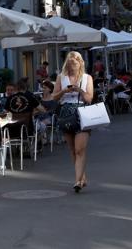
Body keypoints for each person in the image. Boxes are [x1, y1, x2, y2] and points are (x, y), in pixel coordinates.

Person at [52, 51, 94, 193]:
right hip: (65, 115)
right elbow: (54, 97)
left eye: (76, 62)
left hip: (82, 114)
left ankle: (77, 181)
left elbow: (89, 99)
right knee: (72, 150)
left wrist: (79, 90)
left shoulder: (87, 78)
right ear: (67, 64)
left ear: (81, 63)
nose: (73, 64)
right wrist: (64, 91)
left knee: (79, 149)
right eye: (70, 62)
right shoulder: (61, 77)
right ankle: (82, 177)